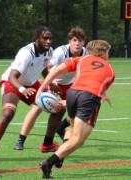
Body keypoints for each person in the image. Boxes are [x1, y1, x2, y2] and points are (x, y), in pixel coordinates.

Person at [36, 40, 115, 179]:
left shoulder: (81, 59)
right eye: (108, 52)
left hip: (73, 93)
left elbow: (55, 71)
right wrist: (104, 95)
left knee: (72, 129)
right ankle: (49, 162)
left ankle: (61, 152)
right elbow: (97, 87)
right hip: (89, 97)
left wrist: (41, 89)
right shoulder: (110, 70)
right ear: (102, 53)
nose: (109, 55)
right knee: (79, 139)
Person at [0, 26, 60, 163]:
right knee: (8, 113)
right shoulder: (26, 53)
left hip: (31, 84)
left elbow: (43, 68)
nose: (48, 41)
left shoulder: (49, 51)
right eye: (45, 38)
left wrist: (50, 82)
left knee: (59, 108)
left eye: (50, 38)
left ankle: (47, 144)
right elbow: (12, 77)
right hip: (12, 83)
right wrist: (22, 90)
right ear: (37, 38)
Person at [13, 27, 87, 151]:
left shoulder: (85, 53)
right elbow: (47, 65)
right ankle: (21, 140)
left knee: (73, 109)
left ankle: (51, 138)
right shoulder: (60, 52)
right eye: (74, 40)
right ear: (70, 41)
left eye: (80, 41)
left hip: (70, 84)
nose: (77, 43)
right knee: (37, 108)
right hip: (52, 81)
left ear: (83, 43)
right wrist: (51, 80)